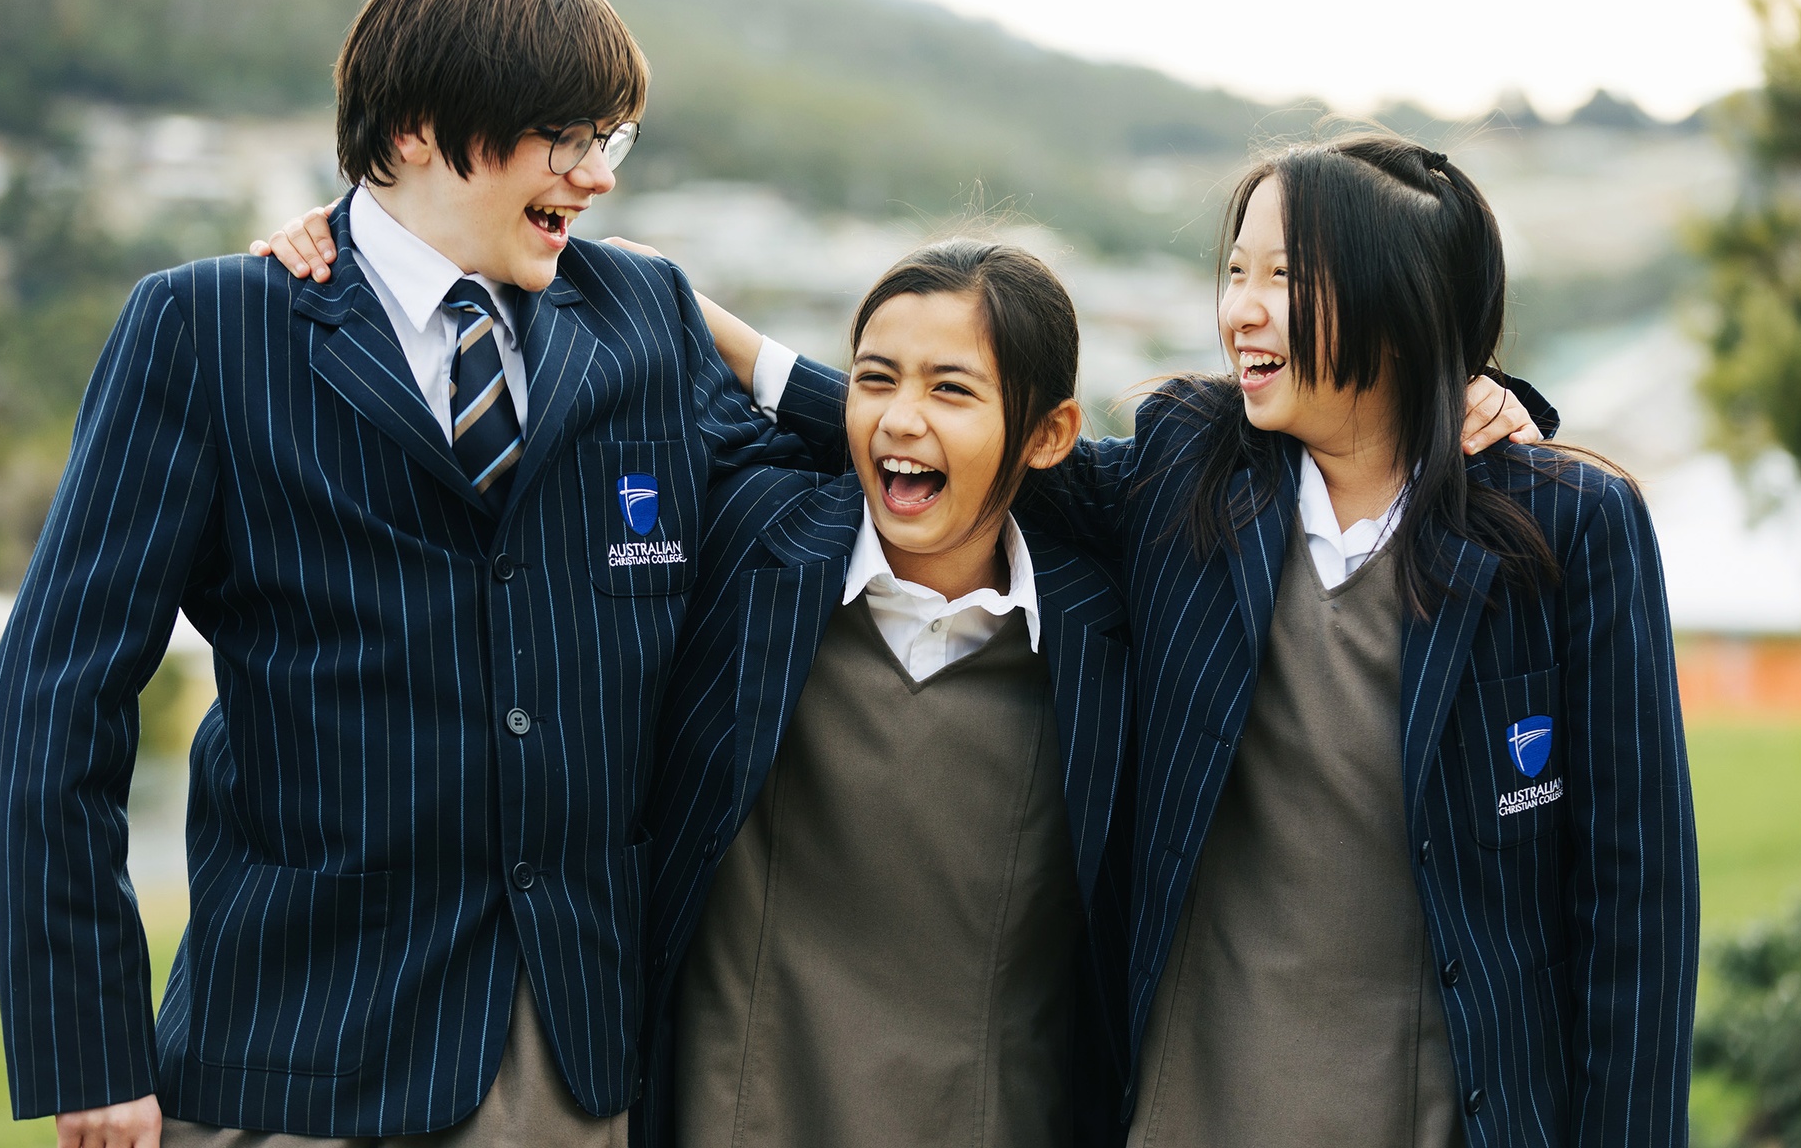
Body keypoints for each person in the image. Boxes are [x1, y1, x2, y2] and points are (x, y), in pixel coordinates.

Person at [712, 135, 1697, 1144]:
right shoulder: (1189, 465)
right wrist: (740, 350)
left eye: (1284, 275)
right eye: (1235, 272)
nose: (1242, 309)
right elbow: (992, 447)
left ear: (1397, 300)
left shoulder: (1569, 521)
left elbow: (1637, 907)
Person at [0, 0, 805, 1148]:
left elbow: (900, 467)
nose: (598, 177)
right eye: (568, 137)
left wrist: (731, 338)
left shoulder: (644, 321)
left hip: (564, 1061)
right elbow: (60, 693)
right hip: (290, 1051)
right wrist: (90, 1046)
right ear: (420, 127)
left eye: (611, 141)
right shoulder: (209, 327)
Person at [635, 240, 1132, 1148]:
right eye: (874, 379)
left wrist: (1478, 396)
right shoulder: (753, 536)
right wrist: (372, 235)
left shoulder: (1107, 630)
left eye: (950, 388)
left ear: (1051, 434)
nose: (901, 420)